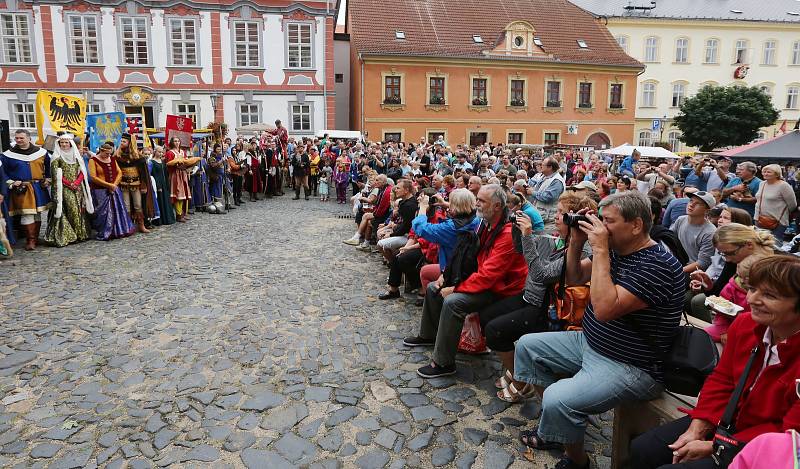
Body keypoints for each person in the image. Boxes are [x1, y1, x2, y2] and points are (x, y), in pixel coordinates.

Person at [514, 191, 686, 469]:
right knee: (527, 346)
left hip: (631, 365)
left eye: (609, 221)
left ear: (637, 225)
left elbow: (605, 309)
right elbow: (574, 277)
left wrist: (602, 249)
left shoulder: (658, 265)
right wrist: (576, 242)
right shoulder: (619, 251)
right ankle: (559, 428)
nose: (601, 228)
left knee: (560, 399)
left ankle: (577, 460)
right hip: (593, 343)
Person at [631, 255, 800, 469]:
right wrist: (697, 427)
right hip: (727, 421)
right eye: (752, 289)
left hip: (766, 447)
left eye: (769, 295)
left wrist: (716, 446)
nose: (751, 300)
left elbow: (789, 437)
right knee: (643, 450)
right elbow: (723, 378)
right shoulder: (745, 324)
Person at [404, 184, 528, 378]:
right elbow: (464, 254)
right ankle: (428, 336)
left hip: (502, 290)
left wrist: (456, 288)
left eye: (481, 201)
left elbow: (489, 276)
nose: (476, 204)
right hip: (486, 282)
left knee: (454, 302)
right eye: (476, 199)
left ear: (496, 206)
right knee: (432, 288)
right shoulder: (484, 223)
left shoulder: (506, 233)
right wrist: (448, 275)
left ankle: (443, 363)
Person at [487, 192, 594, 403]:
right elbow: (522, 249)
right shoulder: (558, 240)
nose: (555, 215)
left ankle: (521, 379)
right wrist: (519, 231)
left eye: (561, 213)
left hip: (550, 311)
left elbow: (540, 275)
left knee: (495, 330)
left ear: (574, 220)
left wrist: (527, 235)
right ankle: (517, 371)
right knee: (487, 316)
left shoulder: (580, 251)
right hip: (535, 299)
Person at [687, 224, 776, 322]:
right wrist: (708, 284)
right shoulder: (733, 259)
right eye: (723, 254)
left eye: (729, 253)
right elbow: (719, 292)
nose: (727, 259)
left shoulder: (774, 265)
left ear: (749, 245)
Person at [0, 129, 51, 250]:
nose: (18, 140)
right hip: (21, 189)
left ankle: (35, 237)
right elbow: (3, 174)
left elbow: (48, 168)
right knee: (26, 214)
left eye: (21, 138)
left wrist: (48, 179)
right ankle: (30, 240)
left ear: (29, 138)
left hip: (38, 187)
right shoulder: (7, 155)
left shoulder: (42, 153)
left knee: (37, 214)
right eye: (16, 138)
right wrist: (11, 182)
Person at [44, 134, 93, 247]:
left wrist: (76, 183)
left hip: (77, 187)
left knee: (79, 208)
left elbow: (82, 171)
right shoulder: (56, 156)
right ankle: (68, 234)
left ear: (70, 143)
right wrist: (69, 184)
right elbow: (56, 174)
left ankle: (80, 233)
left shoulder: (76, 155)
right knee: (70, 208)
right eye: (62, 143)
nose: (64, 145)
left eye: (66, 142)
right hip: (63, 187)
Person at [88, 142, 135, 240]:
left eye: (110, 153)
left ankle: (119, 230)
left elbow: (119, 172)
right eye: (106, 154)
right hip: (100, 191)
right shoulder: (93, 160)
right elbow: (93, 177)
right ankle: (105, 230)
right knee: (103, 212)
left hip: (114, 189)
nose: (108, 155)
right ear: (101, 151)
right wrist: (109, 185)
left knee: (118, 209)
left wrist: (114, 185)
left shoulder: (112, 159)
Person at [115, 134, 153, 233]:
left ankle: (141, 225)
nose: (122, 143)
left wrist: (144, 185)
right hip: (123, 184)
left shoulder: (138, 157)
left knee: (138, 205)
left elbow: (143, 173)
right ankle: (128, 226)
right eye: (121, 141)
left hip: (136, 184)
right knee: (126, 205)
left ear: (129, 143)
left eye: (124, 141)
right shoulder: (117, 156)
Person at [670, 191, 717, 273]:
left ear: (707, 211)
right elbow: (669, 239)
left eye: (698, 203)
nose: (691, 205)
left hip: (692, 272)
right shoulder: (680, 219)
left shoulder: (710, 232)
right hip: (674, 262)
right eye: (691, 200)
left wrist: (676, 271)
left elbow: (703, 263)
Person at [753, 163, 797, 240]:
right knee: (759, 243)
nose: (765, 173)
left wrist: (781, 212)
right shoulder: (762, 184)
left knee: (774, 245)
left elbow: (792, 204)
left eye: (769, 172)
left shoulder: (784, 185)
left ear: (777, 174)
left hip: (777, 221)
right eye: (764, 171)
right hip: (759, 219)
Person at [528, 157, 566, 233]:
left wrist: (533, 192)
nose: (540, 166)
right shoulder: (544, 177)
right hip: (542, 218)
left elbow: (548, 197)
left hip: (549, 221)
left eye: (543, 164)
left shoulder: (556, 181)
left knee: (545, 242)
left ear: (550, 167)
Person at [165, 137, 196, 222]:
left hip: (183, 174)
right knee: (177, 194)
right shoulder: (170, 153)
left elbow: (187, 162)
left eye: (178, 141)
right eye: (175, 141)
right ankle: (178, 214)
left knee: (183, 194)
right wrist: (176, 165)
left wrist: (189, 165)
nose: (177, 142)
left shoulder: (183, 152)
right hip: (175, 175)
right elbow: (168, 165)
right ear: (172, 142)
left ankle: (183, 213)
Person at [149, 146, 176, 225]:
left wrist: (167, 183)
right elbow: (153, 175)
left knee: (166, 201)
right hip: (158, 184)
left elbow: (165, 173)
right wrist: (158, 186)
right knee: (160, 201)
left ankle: (168, 218)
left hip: (164, 184)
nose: (160, 154)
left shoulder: (162, 161)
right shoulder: (152, 162)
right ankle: (160, 220)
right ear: (155, 152)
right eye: (159, 152)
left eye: (162, 152)